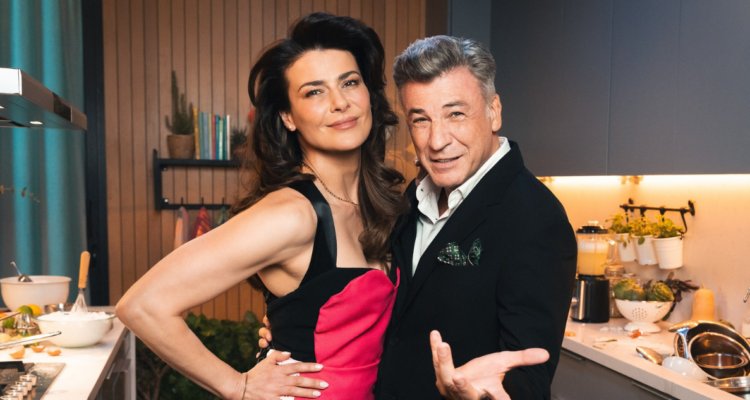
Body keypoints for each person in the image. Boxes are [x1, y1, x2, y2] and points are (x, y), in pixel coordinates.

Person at [261, 35, 578, 400]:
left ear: (494, 111)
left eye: (455, 114)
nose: (437, 140)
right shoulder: (412, 197)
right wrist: (293, 323)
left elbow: (529, 372)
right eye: (421, 120)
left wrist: (483, 396)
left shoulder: (536, 218)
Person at [116, 13, 412, 400]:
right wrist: (237, 385)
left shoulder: (381, 204)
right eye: (314, 92)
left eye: (350, 82)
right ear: (288, 116)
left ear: (369, 94)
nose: (340, 102)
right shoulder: (291, 214)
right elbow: (141, 306)